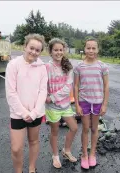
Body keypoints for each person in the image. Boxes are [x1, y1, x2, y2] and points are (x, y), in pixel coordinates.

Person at [5, 33, 48, 173]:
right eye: (31, 48)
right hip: (18, 114)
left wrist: (34, 112)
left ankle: (31, 168)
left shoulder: (42, 67)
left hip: (36, 113)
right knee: (16, 148)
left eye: (37, 50)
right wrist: (24, 113)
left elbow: (43, 91)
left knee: (33, 141)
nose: (33, 52)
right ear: (25, 46)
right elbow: (11, 93)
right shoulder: (13, 65)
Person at [73, 38, 109, 169]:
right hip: (84, 102)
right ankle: (84, 155)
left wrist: (104, 104)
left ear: (98, 50)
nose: (91, 50)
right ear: (85, 49)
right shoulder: (79, 67)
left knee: (94, 129)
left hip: (98, 102)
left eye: (94, 48)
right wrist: (76, 104)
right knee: (85, 129)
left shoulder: (102, 66)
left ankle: (92, 153)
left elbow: (106, 86)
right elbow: (76, 86)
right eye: (88, 48)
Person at [45, 38, 78, 169]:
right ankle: (55, 156)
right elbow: (42, 84)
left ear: (64, 51)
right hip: (52, 107)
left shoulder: (68, 66)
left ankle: (66, 150)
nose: (59, 52)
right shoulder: (46, 67)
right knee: (55, 131)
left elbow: (67, 87)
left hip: (64, 105)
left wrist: (52, 97)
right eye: (56, 50)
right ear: (50, 52)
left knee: (74, 128)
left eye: (61, 50)